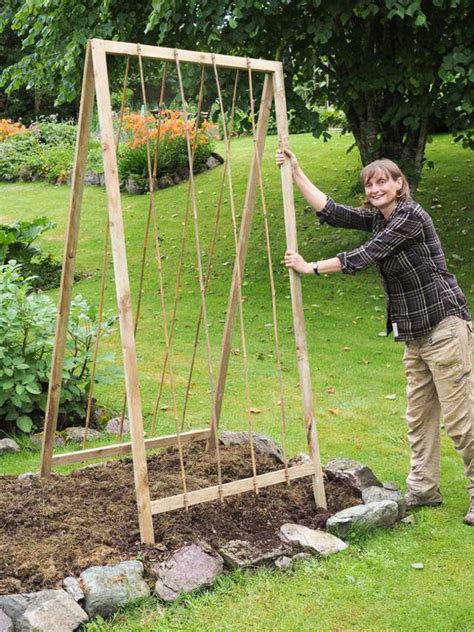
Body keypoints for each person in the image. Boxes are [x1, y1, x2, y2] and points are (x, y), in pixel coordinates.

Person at [276, 148, 473, 526]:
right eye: (370, 183)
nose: (376, 187)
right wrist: (297, 172)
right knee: (419, 417)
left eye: (383, 180)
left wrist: (310, 267)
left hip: (444, 327)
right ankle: (423, 489)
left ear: (399, 184)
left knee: (462, 418)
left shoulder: (410, 217)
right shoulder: (380, 220)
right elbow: (333, 212)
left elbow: (365, 256)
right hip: (414, 334)